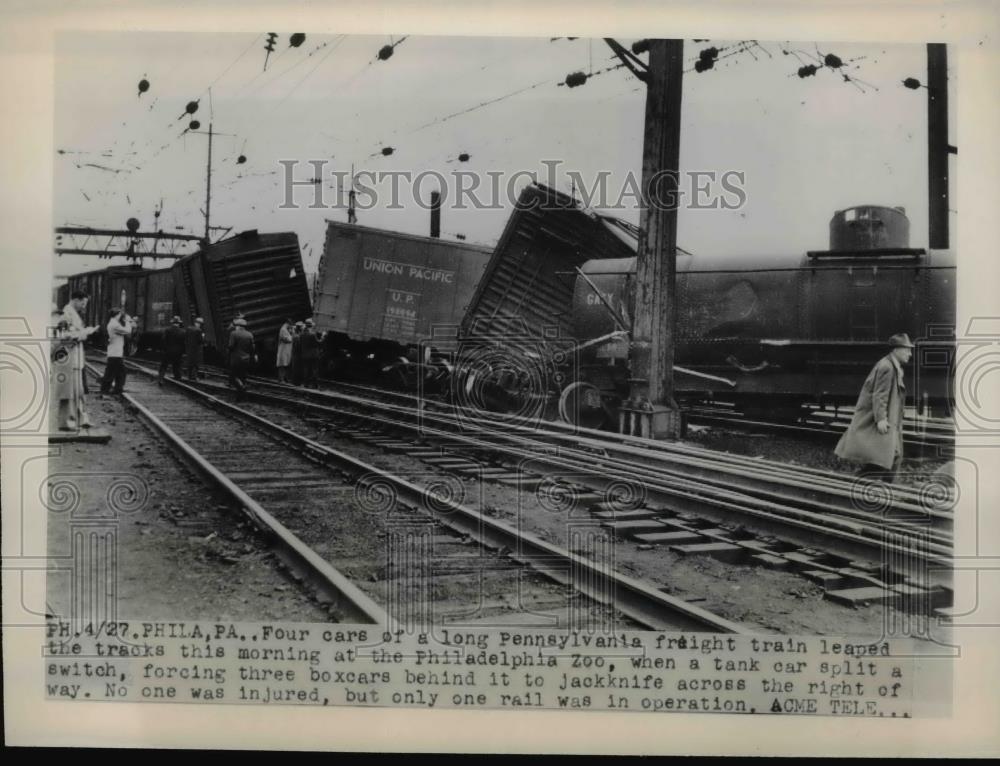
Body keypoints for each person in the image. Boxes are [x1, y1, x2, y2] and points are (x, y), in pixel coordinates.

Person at [834, 333, 915, 483]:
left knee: (894, 457)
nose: (910, 354)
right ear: (897, 349)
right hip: (884, 421)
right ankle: (859, 484)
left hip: (892, 421)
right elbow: (880, 395)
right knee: (884, 458)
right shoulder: (887, 367)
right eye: (907, 350)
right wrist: (881, 419)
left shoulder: (891, 365)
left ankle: (886, 490)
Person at [54, 290, 99, 430]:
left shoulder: (71, 314)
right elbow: (63, 335)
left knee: (78, 391)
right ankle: (67, 422)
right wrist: (84, 333)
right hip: (69, 358)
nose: (84, 307)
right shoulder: (66, 314)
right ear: (76, 300)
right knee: (69, 393)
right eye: (83, 303)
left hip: (75, 358)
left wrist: (83, 333)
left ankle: (79, 420)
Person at [99, 308, 134, 396]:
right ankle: (110, 389)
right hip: (115, 353)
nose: (120, 316)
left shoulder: (113, 323)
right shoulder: (114, 325)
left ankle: (115, 389)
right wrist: (128, 321)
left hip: (114, 352)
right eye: (119, 314)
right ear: (116, 315)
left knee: (117, 372)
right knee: (114, 372)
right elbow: (128, 331)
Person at [228, 316, 256, 400]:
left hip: (236, 359)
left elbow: (231, 346)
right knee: (242, 377)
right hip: (246, 359)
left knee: (233, 377)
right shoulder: (249, 334)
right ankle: (241, 397)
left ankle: (242, 387)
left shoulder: (234, 333)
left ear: (238, 326)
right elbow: (252, 348)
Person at [158, 316, 186, 384]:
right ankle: (178, 380)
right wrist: (183, 352)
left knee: (164, 366)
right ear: (179, 323)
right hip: (178, 352)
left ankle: (161, 379)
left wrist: (164, 349)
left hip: (168, 351)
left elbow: (163, 340)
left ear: (172, 323)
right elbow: (184, 343)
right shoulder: (183, 331)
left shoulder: (167, 330)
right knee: (177, 366)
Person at [299, 318, 320, 388]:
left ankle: (306, 384)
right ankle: (315, 385)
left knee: (306, 369)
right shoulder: (312, 334)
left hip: (305, 354)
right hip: (313, 355)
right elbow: (317, 343)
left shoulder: (301, 334)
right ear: (311, 326)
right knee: (314, 369)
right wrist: (323, 337)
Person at [185, 317, 205, 381]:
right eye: (200, 324)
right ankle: (194, 377)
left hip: (189, 349)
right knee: (196, 364)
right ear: (199, 324)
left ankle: (189, 376)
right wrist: (203, 337)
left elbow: (185, 338)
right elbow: (200, 341)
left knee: (190, 363)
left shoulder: (188, 328)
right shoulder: (199, 330)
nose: (200, 325)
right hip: (196, 350)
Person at [276, 318, 294, 383]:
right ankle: (281, 379)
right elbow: (287, 339)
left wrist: (291, 332)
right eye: (290, 325)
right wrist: (292, 336)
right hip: (283, 350)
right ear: (287, 323)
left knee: (286, 364)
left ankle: (285, 378)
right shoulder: (283, 330)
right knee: (282, 365)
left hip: (286, 350)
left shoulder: (287, 329)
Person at [291, 321, 305, 385]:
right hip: (297, 354)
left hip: (295, 354)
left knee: (296, 368)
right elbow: (298, 346)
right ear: (300, 328)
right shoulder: (297, 336)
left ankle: (296, 382)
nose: (303, 328)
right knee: (297, 368)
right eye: (302, 327)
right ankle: (296, 382)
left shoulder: (296, 335)